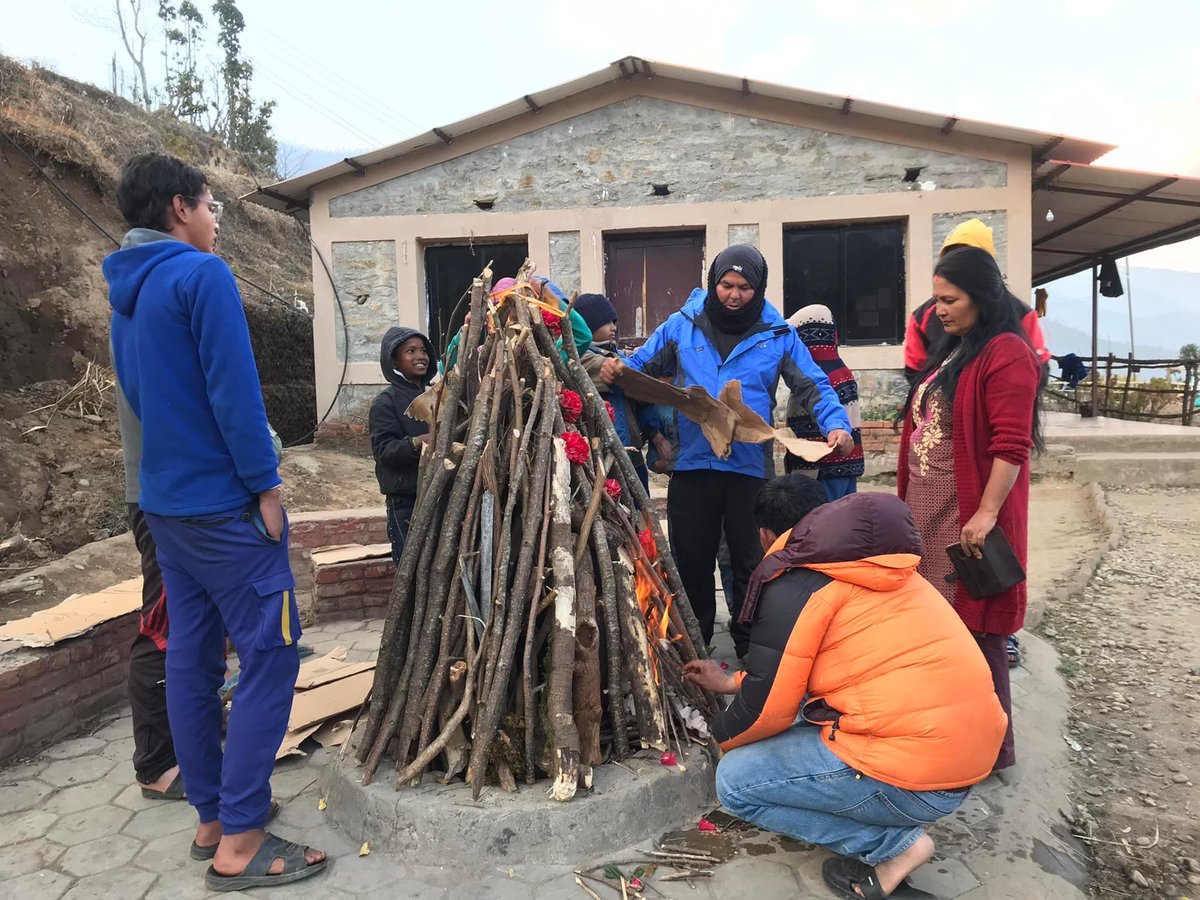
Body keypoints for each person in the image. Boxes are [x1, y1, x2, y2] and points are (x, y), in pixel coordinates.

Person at [104, 152, 325, 891]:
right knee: (272, 655)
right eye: (210, 205)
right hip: (225, 507)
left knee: (192, 660)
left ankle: (211, 819)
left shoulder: (126, 293)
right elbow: (234, 393)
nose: (217, 218)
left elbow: (141, 404)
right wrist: (265, 486)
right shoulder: (201, 277)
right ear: (178, 208)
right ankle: (240, 841)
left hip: (165, 507)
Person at [685, 475, 1005, 900]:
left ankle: (894, 849)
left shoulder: (797, 583)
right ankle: (888, 815)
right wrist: (731, 683)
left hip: (918, 781)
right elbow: (802, 672)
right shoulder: (886, 566)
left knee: (737, 783)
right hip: (968, 759)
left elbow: (768, 710)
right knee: (799, 720)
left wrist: (718, 739)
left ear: (765, 535)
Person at [599, 245, 852, 658]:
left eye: (745, 287)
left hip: (748, 469)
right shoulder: (682, 326)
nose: (734, 295)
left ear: (759, 287)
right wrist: (617, 369)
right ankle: (694, 647)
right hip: (694, 466)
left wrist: (835, 423)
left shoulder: (778, 333)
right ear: (713, 282)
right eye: (726, 285)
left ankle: (752, 648)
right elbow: (642, 365)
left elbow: (813, 384)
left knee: (750, 560)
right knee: (691, 561)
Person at [898, 244, 1044, 773]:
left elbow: (1011, 445)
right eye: (936, 299)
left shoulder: (1007, 352)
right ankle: (944, 734)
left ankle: (988, 750)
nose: (938, 309)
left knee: (976, 633)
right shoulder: (955, 347)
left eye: (950, 299)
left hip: (965, 515)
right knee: (938, 631)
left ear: (981, 297)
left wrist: (984, 514)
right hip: (928, 510)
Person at [113, 375, 181, 801]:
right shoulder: (147, 321)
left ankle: (196, 725)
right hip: (166, 500)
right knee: (163, 627)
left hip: (178, 495)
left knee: (194, 625)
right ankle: (155, 764)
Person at [904, 219, 1050, 383]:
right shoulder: (922, 317)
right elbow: (914, 371)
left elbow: (1039, 369)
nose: (941, 311)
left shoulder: (1021, 315)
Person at [576, 292, 671, 489]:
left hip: (632, 452)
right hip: (603, 456)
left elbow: (640, 399)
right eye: (606, 322)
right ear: (587, 326)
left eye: (614, 321)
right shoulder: (582, 359)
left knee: (639, 512)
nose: (614, 327)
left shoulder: (616, 354)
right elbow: (624, 376)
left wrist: (655, 434)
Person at [784, 304, 864, 501]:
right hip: (845, 469)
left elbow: (810, 433)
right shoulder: (841, 370)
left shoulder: (816, 379)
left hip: (821, 472)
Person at [369, 327, 435, 564]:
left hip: (437, 493)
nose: (420, 356)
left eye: (423, 350)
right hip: (405, 501)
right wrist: (418, 442)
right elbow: (383, 452)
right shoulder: (385, 403)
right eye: (410, 351)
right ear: (394, 360)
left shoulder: (437, 397)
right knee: (411, 567)